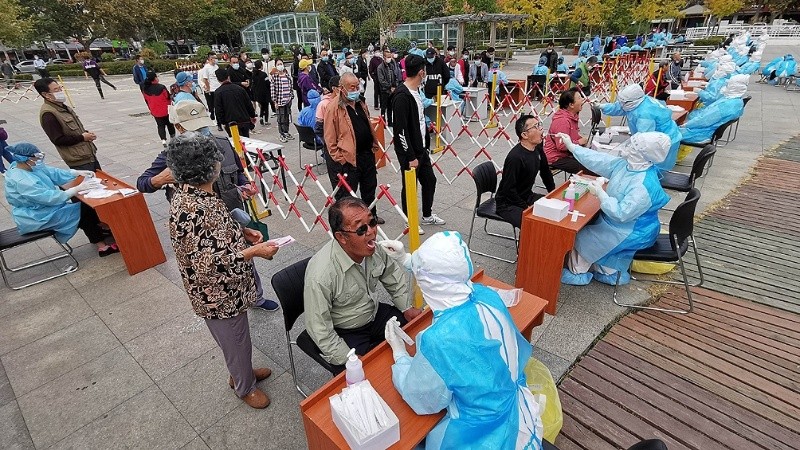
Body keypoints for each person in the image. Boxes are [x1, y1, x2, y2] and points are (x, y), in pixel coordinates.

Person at [382, 231, 544, 450]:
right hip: (518, 412)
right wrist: (407, 260)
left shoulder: (440, 340)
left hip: (479, 435)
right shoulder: (486, 295)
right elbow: (444, 278)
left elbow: (421, 398)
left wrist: (400, 354)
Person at [166, 132, 279, 409]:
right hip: (217, 294)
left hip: (228, 289)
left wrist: (242, 233)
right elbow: (209, 263)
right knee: (235, 340)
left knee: (236, 341)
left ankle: (240, 372)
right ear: (209, 166)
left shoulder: (197, 194)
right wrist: (254, 251)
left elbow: (214, 234)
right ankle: (244, 387)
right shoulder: (192, 207)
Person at [304, 197, 422, 369]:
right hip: (346, 330)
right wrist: (347, 357)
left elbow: (392, 276)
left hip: (373, 313)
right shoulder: (321, 274)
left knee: (417, 336)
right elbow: (318, 327)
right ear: (341, 237)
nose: (371, 232)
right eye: (361, 229)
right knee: (371, 373)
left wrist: (406, 307)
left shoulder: (374, 248)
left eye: (372, 222)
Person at [556, 131, 670, 286]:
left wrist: (600, 193)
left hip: (631, 230)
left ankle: (577, 273)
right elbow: (600, 160)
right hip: (619, 224)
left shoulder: (644, 185)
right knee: (596, 237)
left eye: (633, 147)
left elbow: (621, 214)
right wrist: (573, 147)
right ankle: (608, 272)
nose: (627, 147)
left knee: (585, 238)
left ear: (643, 154)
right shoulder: (628, 165)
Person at [3, 142, 118, 256]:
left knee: (84, 209)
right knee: (84, 212)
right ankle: (103, 246)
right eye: (36, 157)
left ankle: (102, 231)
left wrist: (76, 173)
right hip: (37, 217)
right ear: (25, 158)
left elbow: (53, 173)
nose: (38, 159)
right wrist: (77, 189)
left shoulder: (27, 166)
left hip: (46, 209)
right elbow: (48, 197)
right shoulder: (21, 180)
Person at [391, 54, 445, 228]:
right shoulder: (402, 96)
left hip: (421, 148)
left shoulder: (417, 92)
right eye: (425, 71)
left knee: (430, 180)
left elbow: (419, 120)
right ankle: (410, 221)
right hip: (410, 151)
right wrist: (410, 156)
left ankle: (427, 215)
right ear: (421, 72)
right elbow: (400, 131)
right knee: (410, 186)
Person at [322, 72, 384, 222]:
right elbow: (330, 138)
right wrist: (341, 159)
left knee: (369, 189)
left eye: (357, 86)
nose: (356, 90)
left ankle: (371, 217)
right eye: (352, 87)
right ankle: (351, 223)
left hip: (366, 154)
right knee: (348, 196)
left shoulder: (361, 102)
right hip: (348, 159)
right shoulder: (333, 108)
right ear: (342, 88)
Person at [600, 83, 682, 170]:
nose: (621, 104)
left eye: (623, 102)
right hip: (661, 137)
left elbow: (644, 141)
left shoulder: (645, 115)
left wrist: (626, 150)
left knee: (657, 169)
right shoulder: (638, 101)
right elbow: (619, 107)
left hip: (665, 142)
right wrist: (602, 107)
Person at [494, 115, 556, 229]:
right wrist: (526, 207)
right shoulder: (515, 158)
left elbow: (545, 172)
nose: (541, 129)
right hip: (508, 203)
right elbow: (508, 190)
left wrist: (554, 194)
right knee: (532, 225)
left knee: (554, 211)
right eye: (535, 126)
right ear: (524, 135)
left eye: (539, 125)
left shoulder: (537, 148)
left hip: (526, 196)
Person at [34, 77, 100, 171]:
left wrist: (86, 133)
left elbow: (71, 130)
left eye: (60, 88)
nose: (61, 91)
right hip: (79, 160)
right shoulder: (48, 114)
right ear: (46, 95)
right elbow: (58, 139)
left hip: (88, 155)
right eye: (56, 90)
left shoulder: (62, 106)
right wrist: (82, 137)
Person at [680, 74, 748, 143]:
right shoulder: (737, 101)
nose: (725, 86)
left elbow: (704, 120)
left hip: (700, 134)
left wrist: (686, 125)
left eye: (728, 85)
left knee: (674, 134)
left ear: (733, 87)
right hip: (707, 130)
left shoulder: (725, 105)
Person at [544, 89, 589, 173]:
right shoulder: (563, 121)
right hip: (556, 157)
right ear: (571, 105)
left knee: (591, 161)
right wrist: (579, 142)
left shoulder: (572, 116)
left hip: (566, 154)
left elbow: (572, 135)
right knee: (589, 168)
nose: (583, 99)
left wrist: (580, 139)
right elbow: (561, 145)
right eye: (579, 98)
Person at [214, 68, 256, 138]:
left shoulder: (218, 92)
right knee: (246, 140)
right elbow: (248, 104)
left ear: (218, 80)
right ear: (228, 77)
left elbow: (218, 110)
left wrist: (223, 122)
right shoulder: (240, 89)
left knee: (236, 142)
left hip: (231, 123)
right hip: (244, 121)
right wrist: (252, 116)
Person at [141, 71, 175, 147]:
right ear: (155, 78)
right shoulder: (161, 87)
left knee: (160, 126)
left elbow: (146, 100)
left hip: (155, 110)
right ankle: (173, 138)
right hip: (166, 110)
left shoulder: (145, 89)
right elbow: (167, 96)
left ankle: (163, 140)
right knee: (170, 124)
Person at [270, 59, 294, 142]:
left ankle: (286, 132)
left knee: (287, 117)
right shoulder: (274, 77)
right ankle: (282, 134)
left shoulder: (287, 76)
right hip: (279, 101)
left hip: (288, 100)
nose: (280, 65)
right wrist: (275, 101)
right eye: (278, 64)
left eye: (281, 64)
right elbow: (273, 90)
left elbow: (291, 87)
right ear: (276, 66)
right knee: (281, 118)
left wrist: (291, 97)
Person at [377, 49, 402, 125]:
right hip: (384, 90)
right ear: (384, 57)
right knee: (383, 107)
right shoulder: (380, 67)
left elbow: (395, 76)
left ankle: (390, 121)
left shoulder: (391, 65)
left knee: (390, 107)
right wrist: (389, 87)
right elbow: (381, 81)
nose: (389, 58)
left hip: (392, 90)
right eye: (388, 57)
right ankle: (383, 122)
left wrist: (395, 86)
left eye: (390, 57)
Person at [198, 53, 223, 131]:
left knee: (219, 107)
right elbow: (205, 79)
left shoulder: (216, 67)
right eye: (214, 58)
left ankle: (220, 121)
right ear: (210, 59)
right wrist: (208, 88)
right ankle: (216, 121)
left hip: (218, 88)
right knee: (212, 107)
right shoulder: (206, 68)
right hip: (211, 90)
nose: (216, 59)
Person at [251, 60, 271, 126]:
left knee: (262, 106)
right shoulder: (264, 74)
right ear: (261, 66)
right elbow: (268, 83)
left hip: (258, 94)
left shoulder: (253, 74)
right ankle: (266, 120)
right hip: (265, 93)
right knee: (266, 107)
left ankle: (261, 117)